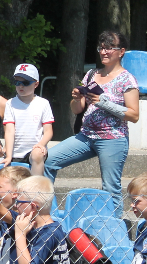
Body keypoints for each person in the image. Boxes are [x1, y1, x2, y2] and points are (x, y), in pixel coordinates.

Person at [44, 30, 139, 214]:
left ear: (121, 52)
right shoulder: (91, 74)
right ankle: (49, 216)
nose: (104, 52)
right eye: (101, 48)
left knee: (111, 187)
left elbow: (134, 115)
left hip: (113, 138)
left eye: (110, 48)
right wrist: (77, 98)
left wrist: (105, 103)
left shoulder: (127, 79)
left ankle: (114, 232)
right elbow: (77, 109)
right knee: (48, 161)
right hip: (86, 136)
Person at [3, 63, 54, 176]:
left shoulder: (43, 103)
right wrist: (9, 155)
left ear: (36, 84)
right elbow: (9, 131)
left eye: (25, 83)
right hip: (15, 151)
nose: (20, 86)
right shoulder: (10, 103)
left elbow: (48, 131)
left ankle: (35, 188)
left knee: (37, 154)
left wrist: (41, 144)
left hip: (34, 150)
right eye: (17, 82)